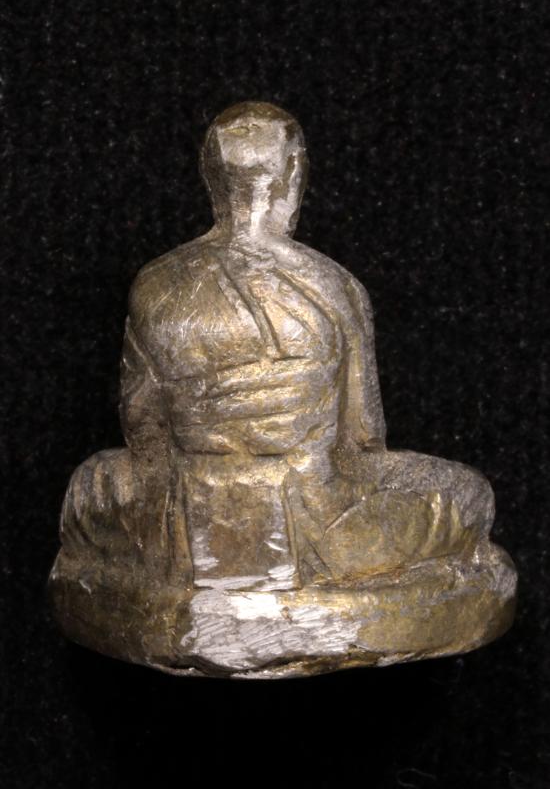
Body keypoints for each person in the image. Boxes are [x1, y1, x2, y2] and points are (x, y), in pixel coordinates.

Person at [59, 101, 495, 592]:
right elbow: (362, 437)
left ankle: (189, 574)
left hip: (182, 517)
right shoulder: (334, 286)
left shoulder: (155, 284)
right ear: (293, 173)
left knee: (90, 485)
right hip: (311, 521)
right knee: (467, 494)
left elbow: (140, 423)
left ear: (209, 177)